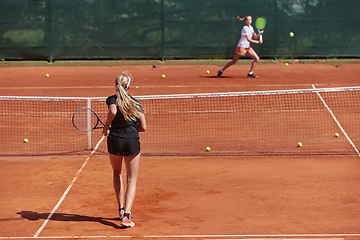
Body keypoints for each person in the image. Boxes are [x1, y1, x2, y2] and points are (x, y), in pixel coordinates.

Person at [102, 72, 146, 228]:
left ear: (115, 85)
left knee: (116, 173)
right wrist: (131, 130)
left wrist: (107, 126)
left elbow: (113, 112)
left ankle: (121, 209)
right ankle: (127, 216)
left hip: (115, 140)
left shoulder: (111, 99)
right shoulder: (136, 102)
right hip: (132, 141)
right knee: (131, 179)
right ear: (129, 85)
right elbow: (143, 127)